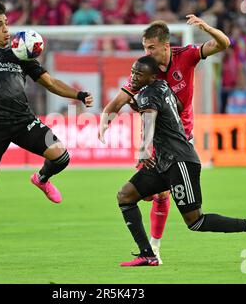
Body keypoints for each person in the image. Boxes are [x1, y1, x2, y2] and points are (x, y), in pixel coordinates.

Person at [98, 17, 230, 263]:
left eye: (151, 48)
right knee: (142, 194)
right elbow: (118, 101)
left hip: (179, 137)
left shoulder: (187, 56)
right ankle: (151, 250)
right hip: (153, 136)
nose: (146, 53)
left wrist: (207, 28)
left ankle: (154, 248)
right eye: (144, 47)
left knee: (159, 195)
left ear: (165, 45)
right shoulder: (146, 71)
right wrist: (104, 122)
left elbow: (223, 43)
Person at [118, 56, 246, 266]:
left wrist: (144, 149)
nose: (133, 77)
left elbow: (150, 120)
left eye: (139, 74)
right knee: (126, 195)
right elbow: (175, 107)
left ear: (152, 76)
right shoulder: (162, 86)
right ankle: (148, 254)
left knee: (196, 221)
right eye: (133, 72)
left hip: (180, 161)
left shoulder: (149, 93)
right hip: (164, 162)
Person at [0, 0, 93, 203]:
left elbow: (50, 83)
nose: (6, 29)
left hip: (23, 121)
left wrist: (78, 95)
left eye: (6, 23)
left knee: (61, 156)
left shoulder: (20, 55)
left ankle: (41, 179)